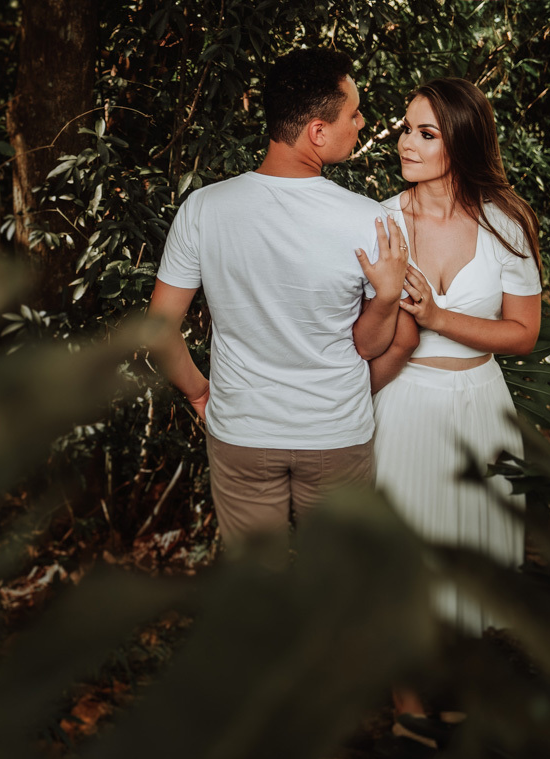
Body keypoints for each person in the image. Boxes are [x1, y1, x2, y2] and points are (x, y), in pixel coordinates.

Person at [147, 48, 408, 565]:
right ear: (317, 131)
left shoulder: (203, 209)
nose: (362, 122)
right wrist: (389, 297)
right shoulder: (369, 220)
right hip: (336, 435)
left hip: (242, 431)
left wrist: (201, 394)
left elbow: (157, 330)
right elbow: (369, 344)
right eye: (353, 113)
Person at [368, 77, 542, 746]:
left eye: (425, 132)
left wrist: (438, 315)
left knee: (469, 551)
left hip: (477, 406)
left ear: (461, 141)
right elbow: (356, 332)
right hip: (403, 403)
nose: (406, 142)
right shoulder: (378, 220)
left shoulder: (505, 222)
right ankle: (406, 699)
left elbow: (523, 333)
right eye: (405, 129)